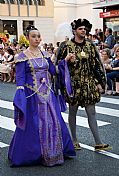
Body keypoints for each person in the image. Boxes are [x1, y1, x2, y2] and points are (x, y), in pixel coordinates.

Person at [8, 25, 76, 167]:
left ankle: (57, 150)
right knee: (32, 123)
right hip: (32, 95)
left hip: (48, 95)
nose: (37, 39)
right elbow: (20, 79)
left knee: (55, 121)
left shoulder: (45, 54)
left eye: (38, 36)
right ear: (27, 38)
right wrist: (20, 95)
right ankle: (32, 154)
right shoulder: (21, 57)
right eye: (34, 36)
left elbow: (54, 70)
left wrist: (65, 61)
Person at [57, 18, 111, 151]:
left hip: (88, 84)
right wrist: (67, 60)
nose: (84, 31)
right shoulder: (65, 46)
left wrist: (99, 82)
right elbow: (58, 65)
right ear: (75, 30)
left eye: (85, 29)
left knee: (92, 112)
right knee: (73, 111)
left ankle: (98, 142)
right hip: (73, 85)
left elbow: (96, 64)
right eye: (81, 29)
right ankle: (74, 140)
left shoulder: (90, 45)